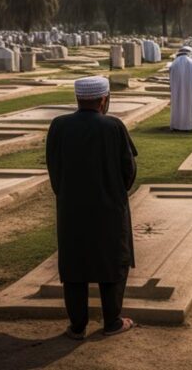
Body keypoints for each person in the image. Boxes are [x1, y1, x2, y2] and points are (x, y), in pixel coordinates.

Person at [45, 76, 137, 340]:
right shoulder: (113, 126)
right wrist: (115, 192)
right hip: (109, 207)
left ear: (78, 98)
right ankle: (112, 321)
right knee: (112, 262)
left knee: (75, 265)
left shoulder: (59, 126)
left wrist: (66, 195)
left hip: (71, 208)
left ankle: (77, 326)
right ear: (104, 99)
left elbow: (54, 167)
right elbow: (128, 169)